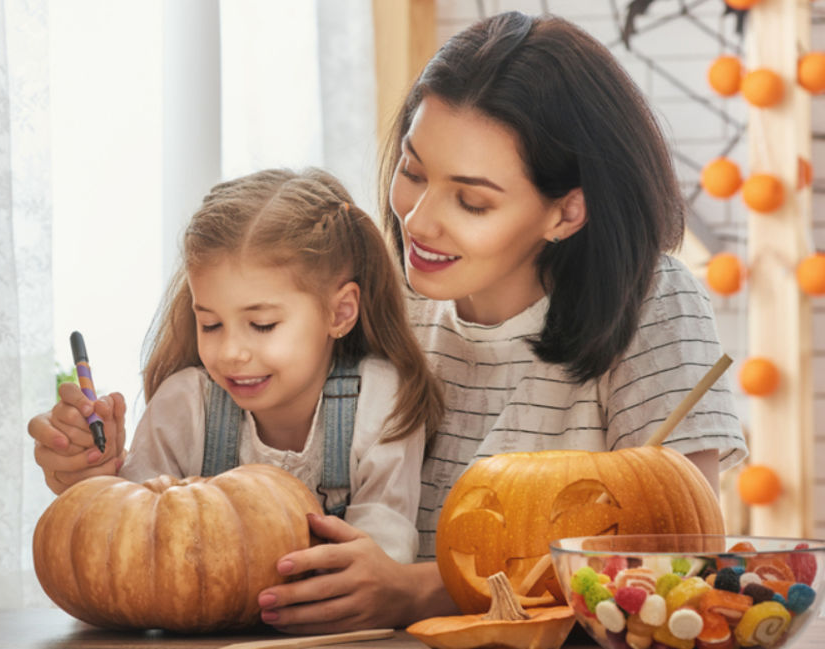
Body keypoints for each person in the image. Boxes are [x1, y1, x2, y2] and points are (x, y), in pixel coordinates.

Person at [253, 11, 748, 633]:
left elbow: (677, 555)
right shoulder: (378, 298)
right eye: (413, 172)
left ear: (567, 213)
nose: (419, 221)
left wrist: (417, 590)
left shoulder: (651, 302)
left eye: (472, 200)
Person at [29, 167, 445, 615]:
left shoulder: (380, 400)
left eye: (262, 325)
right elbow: (129, 547)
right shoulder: (186, 404)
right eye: (210, 324)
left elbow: (384, 556)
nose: (230, 352)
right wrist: (96, 479)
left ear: (340, 312)